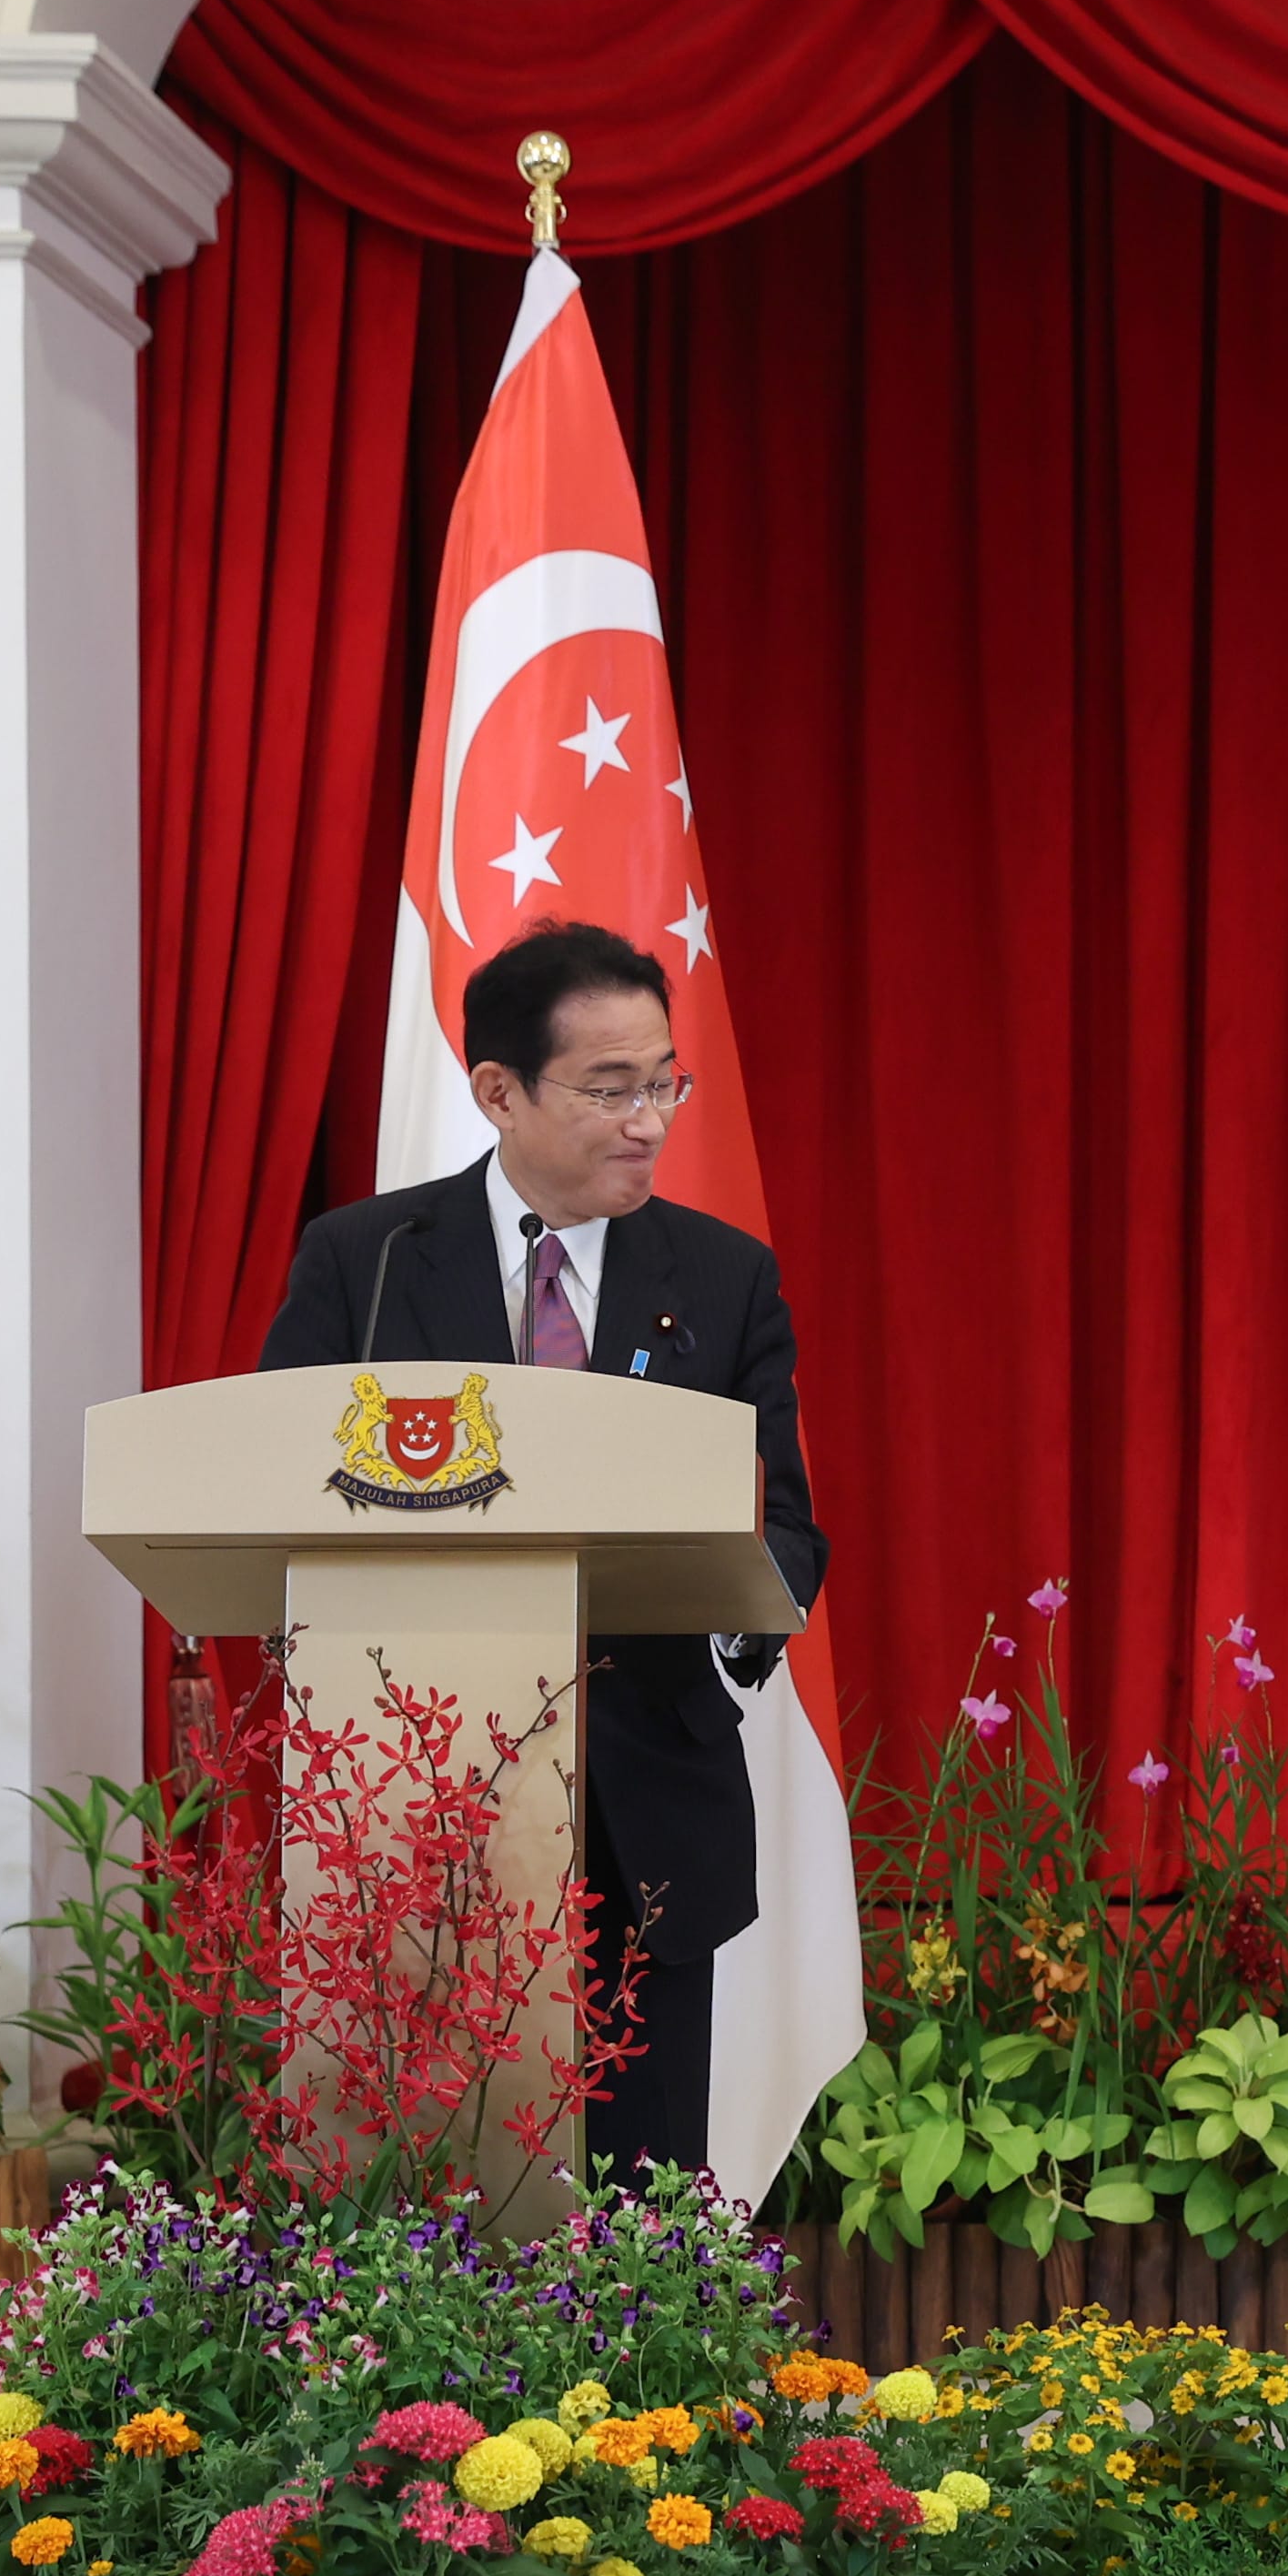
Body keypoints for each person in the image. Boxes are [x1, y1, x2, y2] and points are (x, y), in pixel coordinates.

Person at [257, 921, 828, 2186]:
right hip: (408, 1801)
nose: (647, 1120)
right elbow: (271, 1489)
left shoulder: (723, 1278)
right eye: (610, 1088)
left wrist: (737, 1622)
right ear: (497, 1092)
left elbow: (785, 1525)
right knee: (408, 2184)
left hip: (644, 1800)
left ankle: (639, 2389)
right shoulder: (371, 1260)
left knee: (639, 2198)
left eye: (664, 1083)